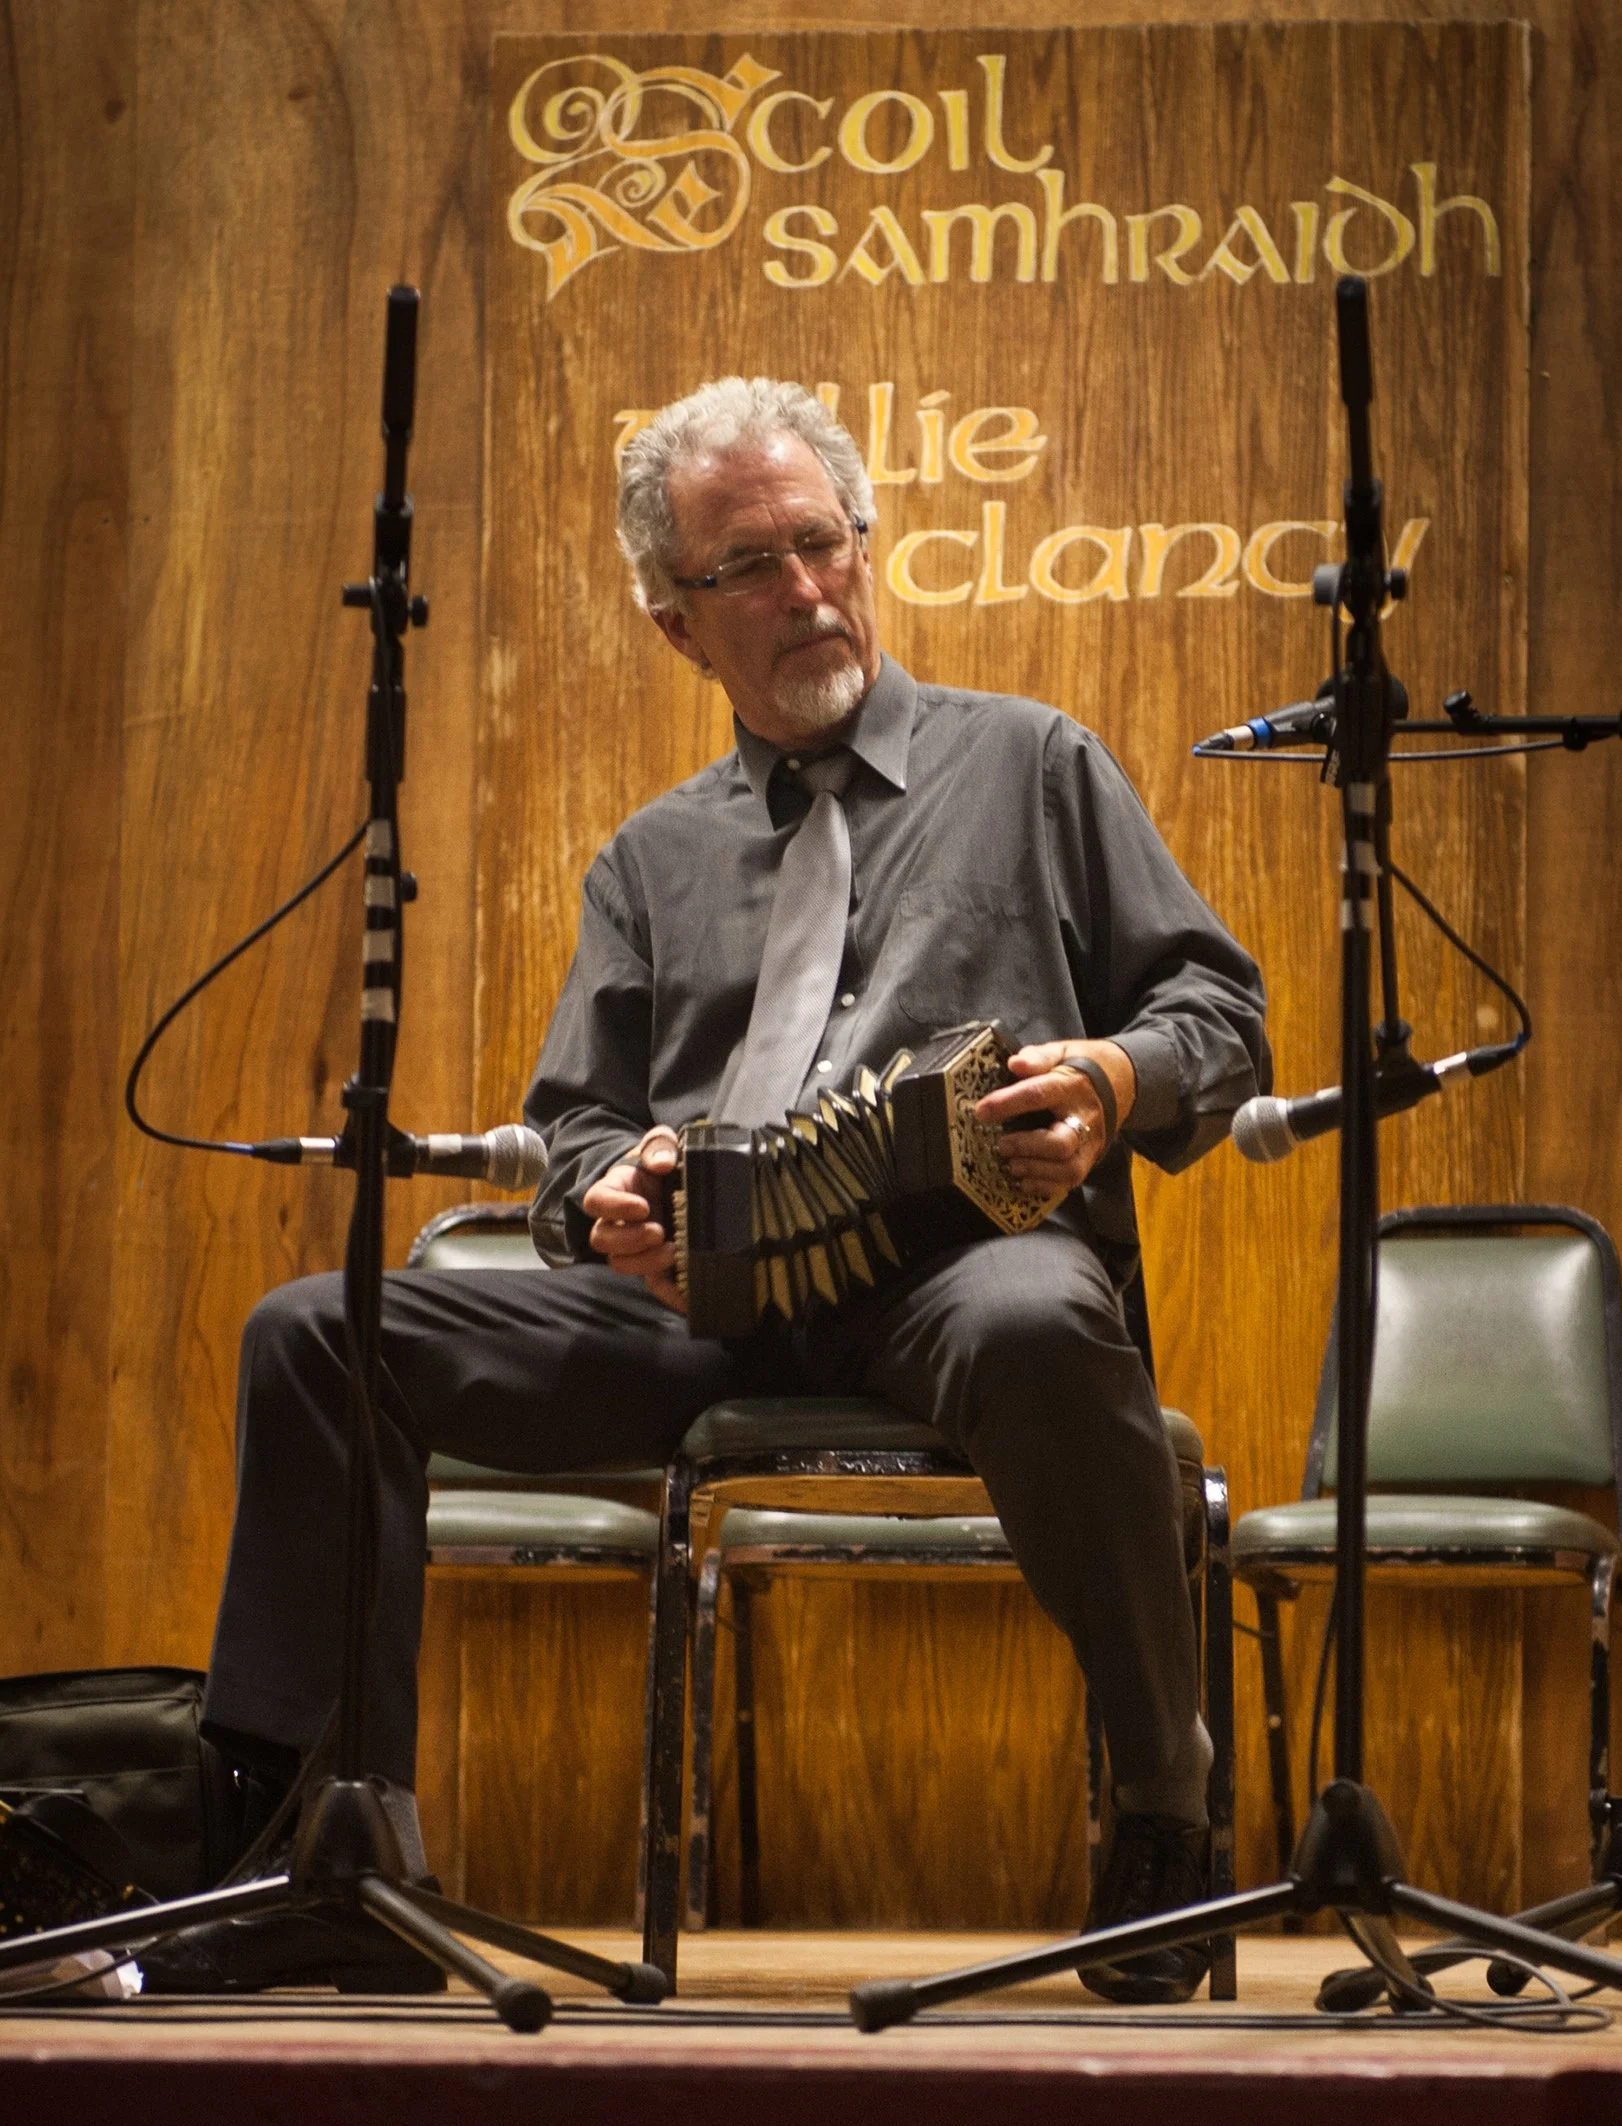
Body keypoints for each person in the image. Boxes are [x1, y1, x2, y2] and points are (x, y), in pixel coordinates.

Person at [150, 377, 1269, 2003]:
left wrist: (1104, 1083)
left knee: (1039, 1317)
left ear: (865, 543)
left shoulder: (1031, 765)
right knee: (320, 1329)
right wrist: (608, 1197)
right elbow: (574, 1133)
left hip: (958, 1277)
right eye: (747, 568)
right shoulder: (648, 860)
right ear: (676, 623)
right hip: (700, 1311)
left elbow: (1216, 1018)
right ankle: (326, 1843)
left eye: (822, 543)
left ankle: (1162, 1791)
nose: (805, 591)